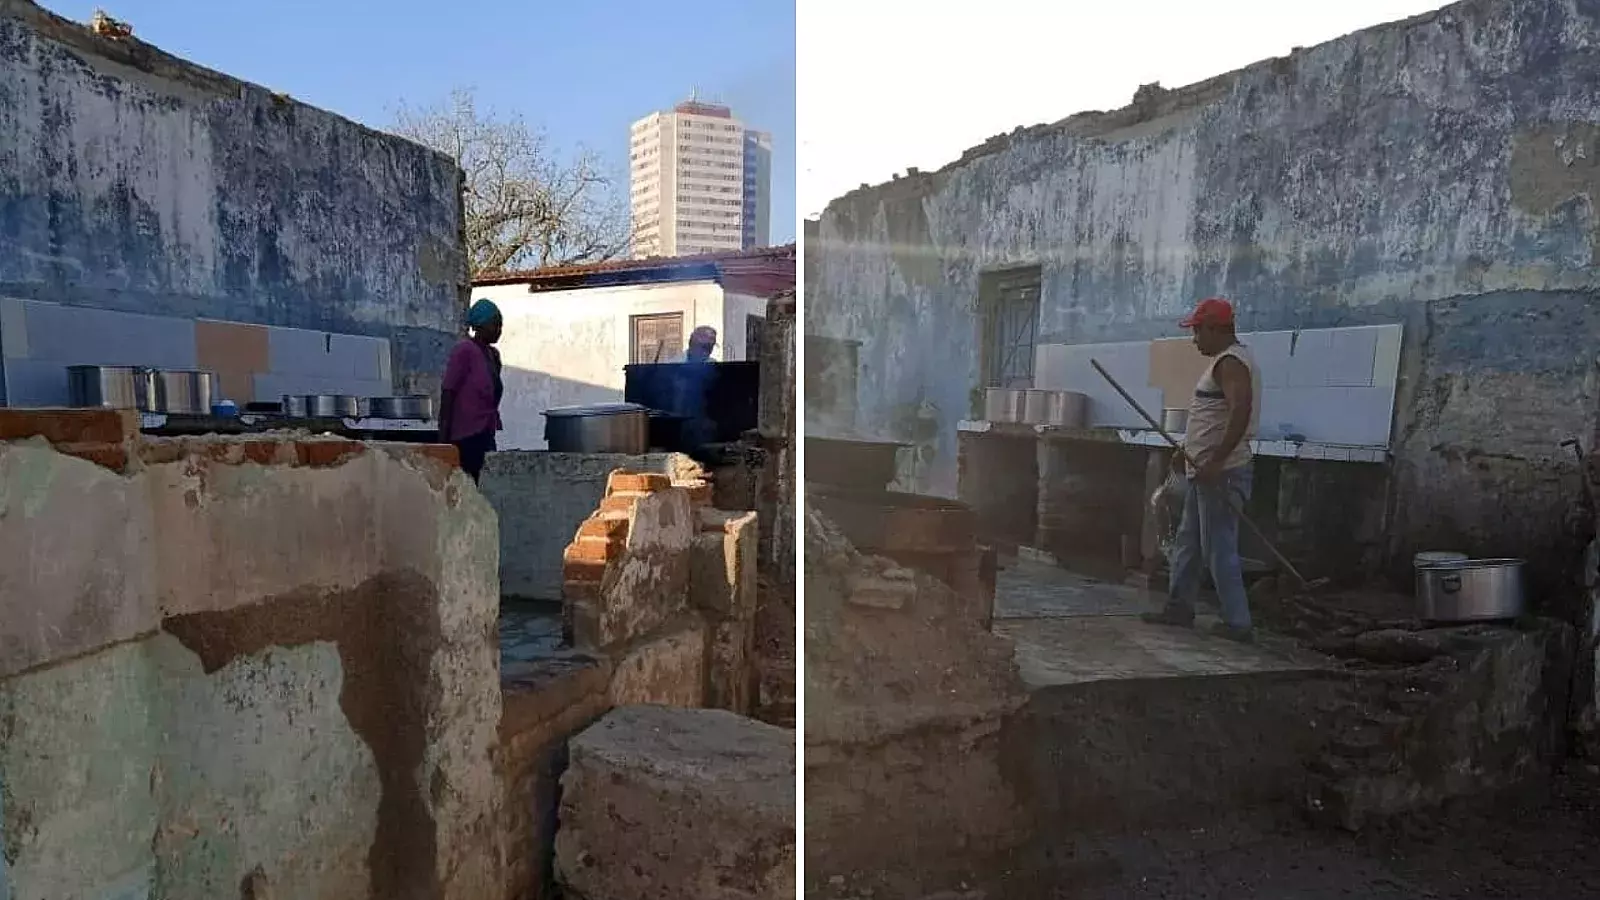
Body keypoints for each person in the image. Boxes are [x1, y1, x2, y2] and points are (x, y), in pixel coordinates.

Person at [1142, 297, 1262, 643]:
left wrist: (1216, 461)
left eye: (1197, 331)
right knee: (1189, 542)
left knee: (1218, 547)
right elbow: (1214, 417)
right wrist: (1188, 448)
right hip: (1206, 469)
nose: (1195, 340)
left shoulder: (1231, 363)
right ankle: (1179, 608)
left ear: (1215, 328)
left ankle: (1238, 622)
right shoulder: (1229, 361)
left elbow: (1239, 412)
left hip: (1221, 472)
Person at [439, 298, 504, 484]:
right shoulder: (464, 350)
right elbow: (448, 392)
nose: (499, 330)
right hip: (465, 436)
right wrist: (443, 440)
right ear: (481, 325)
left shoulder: (494, 356)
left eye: (500, 325)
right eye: (495, 324)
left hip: (486, 433)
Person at [674, 325, 720, 458]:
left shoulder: (715, 367)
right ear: (692, 343)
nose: (708, 352)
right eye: (705, 347)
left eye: (710, 348)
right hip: (679, 425)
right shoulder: (673, 364)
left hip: (704, 427)